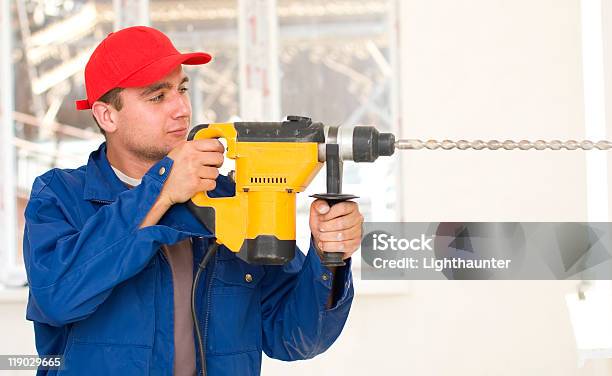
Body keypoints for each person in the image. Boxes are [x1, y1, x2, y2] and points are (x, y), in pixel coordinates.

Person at [23, 26, 363, 376]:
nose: (182, 109)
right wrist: (163, 190)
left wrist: (327, 257)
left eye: (182, 89)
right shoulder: (60, 196)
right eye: (158, 97)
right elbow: (57, 296)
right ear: (107, 115)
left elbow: (294, 337)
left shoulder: (228, 199)